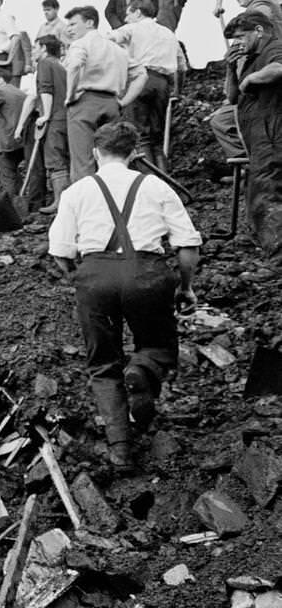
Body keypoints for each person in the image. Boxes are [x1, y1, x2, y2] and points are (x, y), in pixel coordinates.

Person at [48, 121, 201, 471]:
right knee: (159, 347)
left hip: (95, 276)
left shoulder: (77, 190)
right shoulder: (156, 186)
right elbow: (188, 247)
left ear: (95, 153)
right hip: (147, 274)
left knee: (103, 364)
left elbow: (60, 252)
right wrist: (186, 286)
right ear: (134, 153)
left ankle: (120, 451)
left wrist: (81, 280)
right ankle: (142, 369)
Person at [224, 10, 282, 258]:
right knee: (259, 189)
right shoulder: (248, 58)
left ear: (258, 31)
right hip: (258, 135)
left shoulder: (274, 46)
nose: (238, 43)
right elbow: (231, 97)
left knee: (266, 189)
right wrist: (231, 69)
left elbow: (279, 68)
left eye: (241, 36)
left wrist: (252, 79)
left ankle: (278, 255)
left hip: (272, 131)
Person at [105, 0, 182, 171]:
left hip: (139, 81)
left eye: (128, 14)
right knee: (157, 138)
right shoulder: (168, 34)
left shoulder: (132, 28)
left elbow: (111, 39)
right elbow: (181, 66)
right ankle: (164, 181)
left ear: (137, 12)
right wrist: (176, 91)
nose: (125, 19)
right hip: (163, 85)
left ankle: (148, 181)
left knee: (139, 136)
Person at [63, 6, 128, 182]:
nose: (69, 29)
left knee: (83, 163)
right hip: (112, 104)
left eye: (73, 24)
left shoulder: (81, 44)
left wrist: (70, 96)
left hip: (85, 103)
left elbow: (75, 65)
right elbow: (141, 74)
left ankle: (87, 206)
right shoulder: (117, 49)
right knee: (112, 161)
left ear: (90, 23)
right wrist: (123, 100)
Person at [34, 36, 72, 214]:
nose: (33, 51)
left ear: (43, 48)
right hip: (67, 116)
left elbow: (46, 90)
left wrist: (45, 115)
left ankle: (60, 202)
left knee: (55, 159)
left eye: (35, 47)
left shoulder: (44, 64)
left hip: (54, 117)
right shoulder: (61, 66)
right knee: (66, 157)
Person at [0, 68, 28, 195]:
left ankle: (10, 206)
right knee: (13, 171)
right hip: (24, 139)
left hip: (7, 141)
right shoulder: (20, 92)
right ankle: (22, 199)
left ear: (0, 80)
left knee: (7, 176)